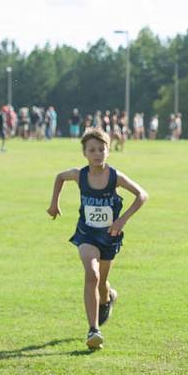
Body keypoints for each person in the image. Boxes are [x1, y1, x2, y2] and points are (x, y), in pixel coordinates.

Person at [47, 127, 149, 350]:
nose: (97, 153)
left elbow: (142, 195)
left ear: (108, 151)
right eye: (92, 150)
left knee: (102, 282)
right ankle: (94, 330)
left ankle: (108, 298)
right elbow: (59, 177)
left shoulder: (115, 177)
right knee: (91, 274)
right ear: (84, 153)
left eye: (101, 149)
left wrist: (122, 221)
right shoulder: (79, 175)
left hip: (109, 236)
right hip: (87, 234)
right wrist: (55, 204)